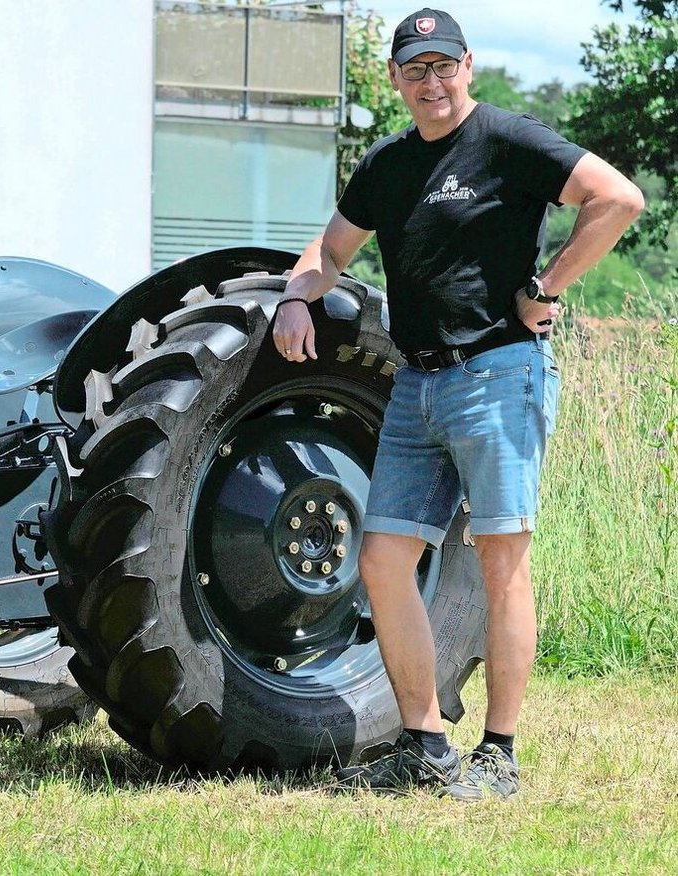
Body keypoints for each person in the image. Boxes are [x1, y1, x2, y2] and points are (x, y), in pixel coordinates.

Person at [272, 8, 643, 800]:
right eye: (415, 69)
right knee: (382, 560)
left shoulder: (510, 142)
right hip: (416, 384)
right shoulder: (388, 164)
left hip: (498, 374)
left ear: (467, 66)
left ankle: (498, 755)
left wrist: (545, 288)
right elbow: (331, 248)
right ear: (398, 79)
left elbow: (618, 199)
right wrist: (297, 298)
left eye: (443, 65)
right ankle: (425, 746)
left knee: (502, 562)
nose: (431, 82)